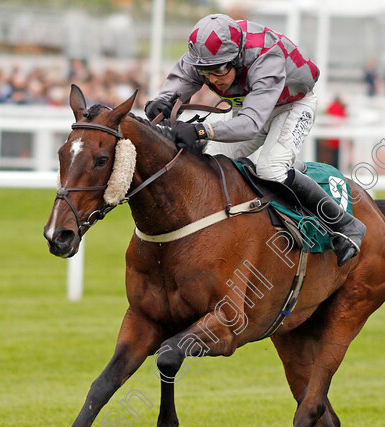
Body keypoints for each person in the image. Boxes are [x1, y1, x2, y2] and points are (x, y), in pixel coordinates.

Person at [144, 13, 365, 266]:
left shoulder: (266, 57)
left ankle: (347, 225)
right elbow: (183, 79)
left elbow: (250, 124)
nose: (212, 79)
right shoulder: (207, 53)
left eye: (219, 70)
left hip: (292, 105)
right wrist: (164, 100)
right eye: (206, 72)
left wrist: (201, 131)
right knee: (210, 162)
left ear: (237, 57)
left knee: (271, 169)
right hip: (254, 105)